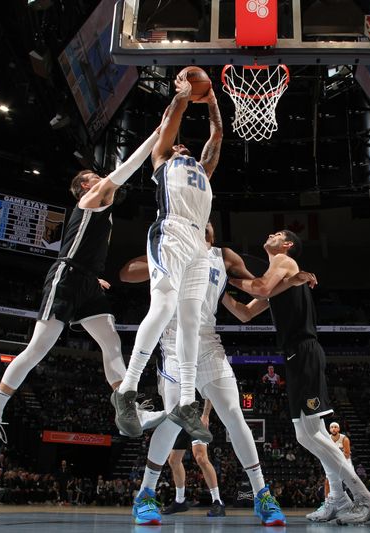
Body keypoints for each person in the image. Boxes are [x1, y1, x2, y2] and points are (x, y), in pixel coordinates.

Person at [0, 123, 166, 456]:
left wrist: (94, 276)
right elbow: (128, 167)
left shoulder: (102, 210)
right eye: (94, 175)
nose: (100, 178)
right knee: (37, 349)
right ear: (84, 187)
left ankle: (128, 408)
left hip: (86, 281)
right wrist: (158, 134)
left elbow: (86, 249)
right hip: (65, 277)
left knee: (111, 341)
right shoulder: (91, 198)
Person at [118, 222, 310, 526]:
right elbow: (126, 273)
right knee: (172, 418)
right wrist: (163, 260)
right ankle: (145, 494)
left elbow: (261, 292)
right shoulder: (172, 248)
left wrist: (290, 281)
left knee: (234, 413)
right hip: (172, 339)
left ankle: (262, 496)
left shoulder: (226, 257)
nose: (203, 219)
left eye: (207, 216)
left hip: (208, 342)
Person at [229, 230, 370, 525]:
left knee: (311, 434)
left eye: (277, 234)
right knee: (308, 434)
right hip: (294, 355)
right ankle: (338, 498)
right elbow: (245, 314)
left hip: (304, 350)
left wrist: (228, 279)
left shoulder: (284, 261)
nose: (270, 235)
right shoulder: (280, 281)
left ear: (286, 245)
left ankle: (365, 498)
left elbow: (259, 289)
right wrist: (219, 292)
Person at [114, 72, 223, 442]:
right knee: (161, 308)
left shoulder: (203, 171)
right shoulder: (163, 158)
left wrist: (211, 104)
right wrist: (183, 94)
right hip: (171, 231)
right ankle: (126, 392)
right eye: (179, 145)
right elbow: (172, 122)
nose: (184, 148)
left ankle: (188, 402)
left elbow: (217, 136)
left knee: (190, 319)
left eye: (186, 147)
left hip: (198, 244)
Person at [161, 401, 225, 517]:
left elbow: (207, 393)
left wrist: (205, 415)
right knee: (173, 460)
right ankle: (180, 501)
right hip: (178, 416)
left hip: (196, 414)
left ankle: (217, 501)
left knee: (200, 457)